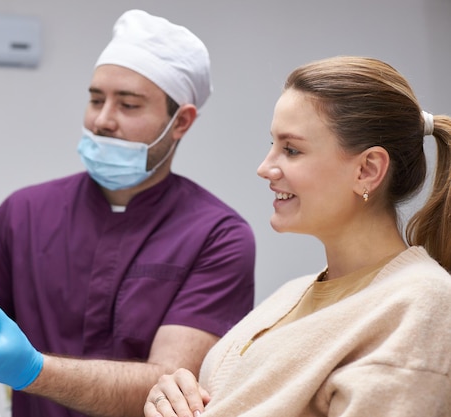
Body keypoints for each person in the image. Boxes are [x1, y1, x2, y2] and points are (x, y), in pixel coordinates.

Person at [0, 9, 256, 417]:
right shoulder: (25, 213)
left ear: (181, 122)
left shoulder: (218, 235)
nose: (102, 121)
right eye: (96, 99)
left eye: (129, 105)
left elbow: (170, 392)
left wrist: (33, 371)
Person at [144, 55, 451, 417]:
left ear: (367, 170)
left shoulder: (422, 306)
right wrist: (170, 396)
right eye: (273, 144)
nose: (264, 168)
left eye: (291, 149)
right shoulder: (289, 295)